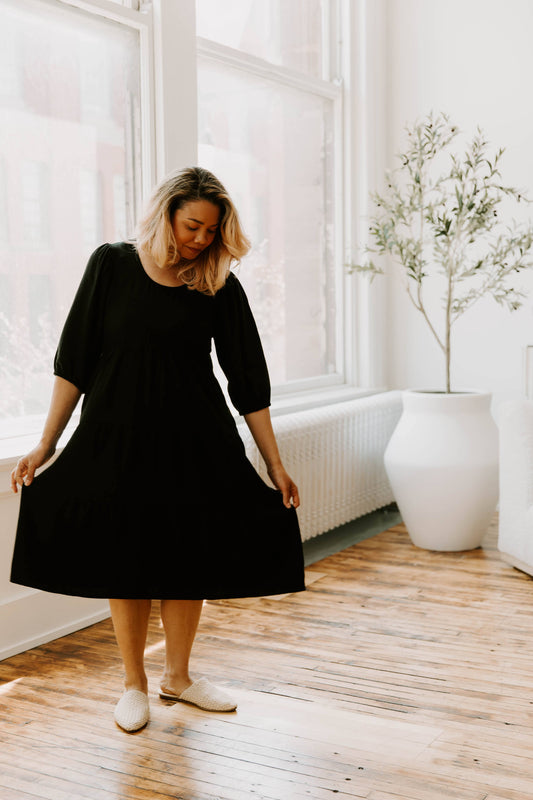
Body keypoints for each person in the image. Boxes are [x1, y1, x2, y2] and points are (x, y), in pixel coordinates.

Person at [10, 166, 306, 733]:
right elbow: (74, 361)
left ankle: (179, 677)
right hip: (117, 438)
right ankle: (133, 684)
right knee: (125, 559)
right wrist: (47, 442)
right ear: (166, 213)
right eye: (193, 225)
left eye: (211, 231)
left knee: (187, 557)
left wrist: (274, 463)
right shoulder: (111, 265)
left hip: (196, 441)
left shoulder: (217, 282)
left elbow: (248, 379)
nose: (201, 239)